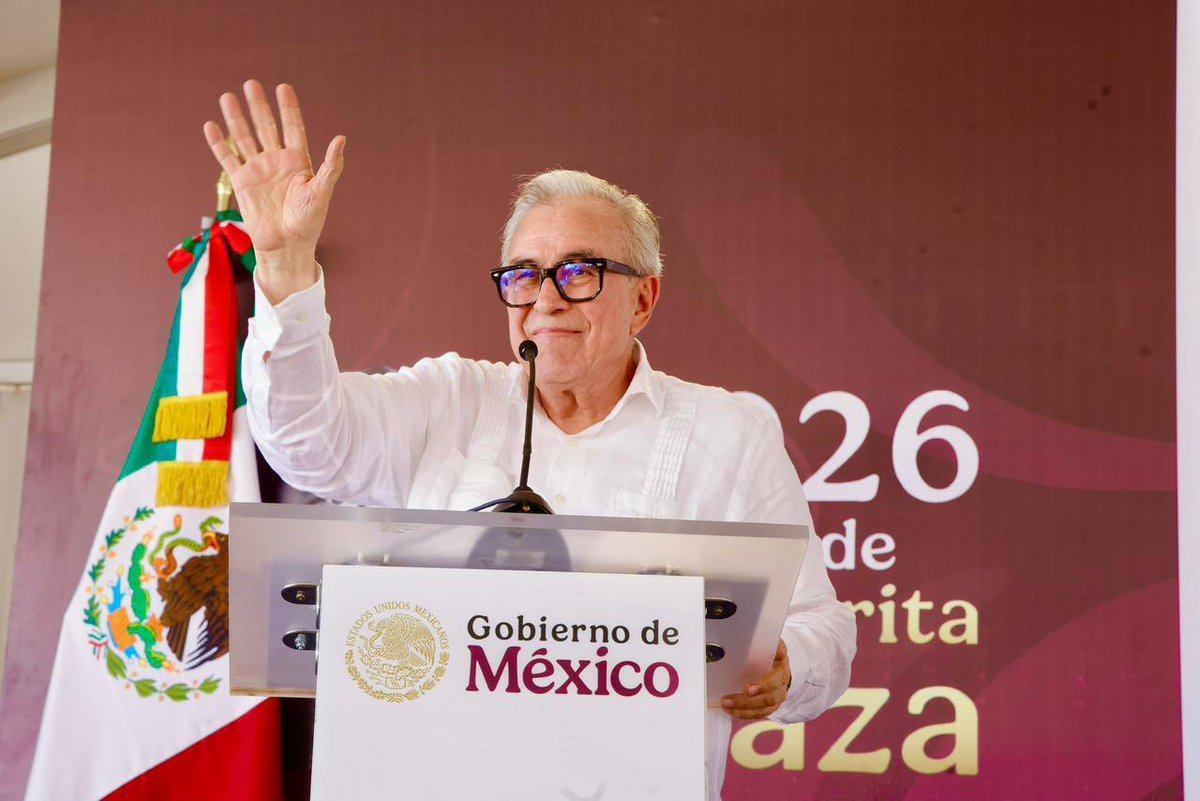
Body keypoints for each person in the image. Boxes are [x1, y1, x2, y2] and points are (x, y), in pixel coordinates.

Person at [205, 79, 855, 799]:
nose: (545, 298)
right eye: (523, 275)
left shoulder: (730, 432)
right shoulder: (448, 399)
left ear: (643, 298)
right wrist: (285, 265)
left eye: (578, 272)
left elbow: (819, 627)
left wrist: (785, 665)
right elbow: (304, 441)